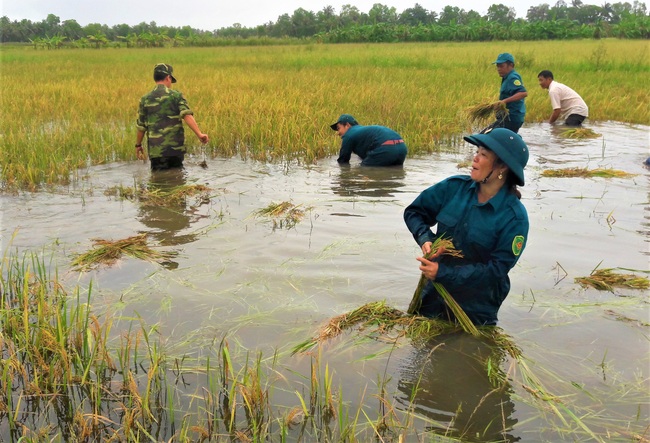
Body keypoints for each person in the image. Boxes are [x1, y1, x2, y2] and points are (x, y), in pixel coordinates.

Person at [404, 127, 529, 326]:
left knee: (469, 351)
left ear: (502, 166)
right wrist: (426, 239)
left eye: (483, 155)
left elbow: (496, 270)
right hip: (433, 295)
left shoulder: (514, 218)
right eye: (476, 152)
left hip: (475, 308)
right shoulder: (453, 188)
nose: (475, 158)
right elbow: (414, 213)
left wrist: (443, 273)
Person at [135, 63, 209, 170]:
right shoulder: (176, 96)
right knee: (177, 179)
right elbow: (186, 115)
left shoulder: (145, 99)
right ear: (168, 77)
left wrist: (138, 145)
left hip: (156, 152)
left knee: (157, 181)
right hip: (175, 150)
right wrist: (199, 134)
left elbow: (141, 127)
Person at [330, 114, 407, 166]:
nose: (338, 133)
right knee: (395, 172)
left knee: (365, 170)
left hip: (386, 148)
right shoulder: (362, 132)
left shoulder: (349, 134)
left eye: (338, 128)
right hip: (402, 147)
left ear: (347, 125)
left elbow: (343, 161)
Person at [488, 53, 527, 134]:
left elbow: (523, 93)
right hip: (507, 118)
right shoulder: (507, 77)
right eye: (497, 66)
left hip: (511, 119)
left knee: (485, 138)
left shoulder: (512, 77)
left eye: (501, 66)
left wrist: (504, 101)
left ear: (511, 65)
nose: (498, 69)